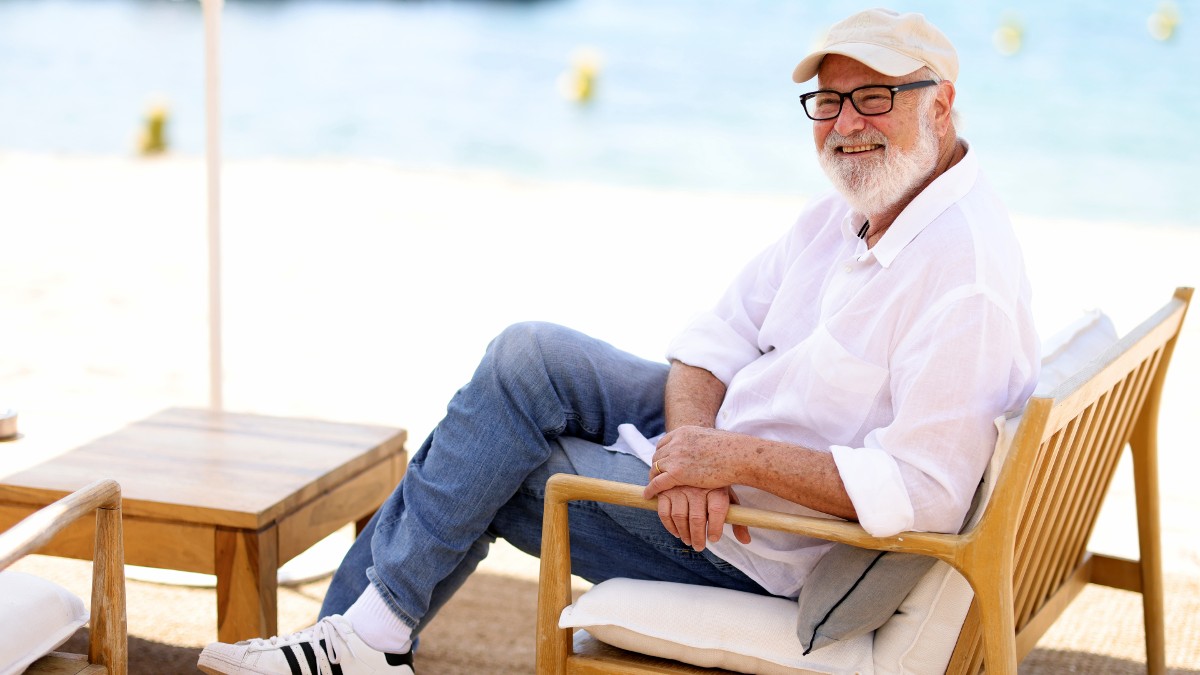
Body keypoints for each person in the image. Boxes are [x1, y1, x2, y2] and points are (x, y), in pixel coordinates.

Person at [198, 8, 1039, 675]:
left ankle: (356, 639)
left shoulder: (960, 274)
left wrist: (731, 463)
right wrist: (692, 445)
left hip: (759, 542)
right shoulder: (854, 211)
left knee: (494, 455)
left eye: (874, 97)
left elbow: (924, 491)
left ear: (942, 103)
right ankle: (360, 641)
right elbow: (717, 336)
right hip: (721, 452)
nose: (846, 123)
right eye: (829, 101)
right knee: (525, 355)